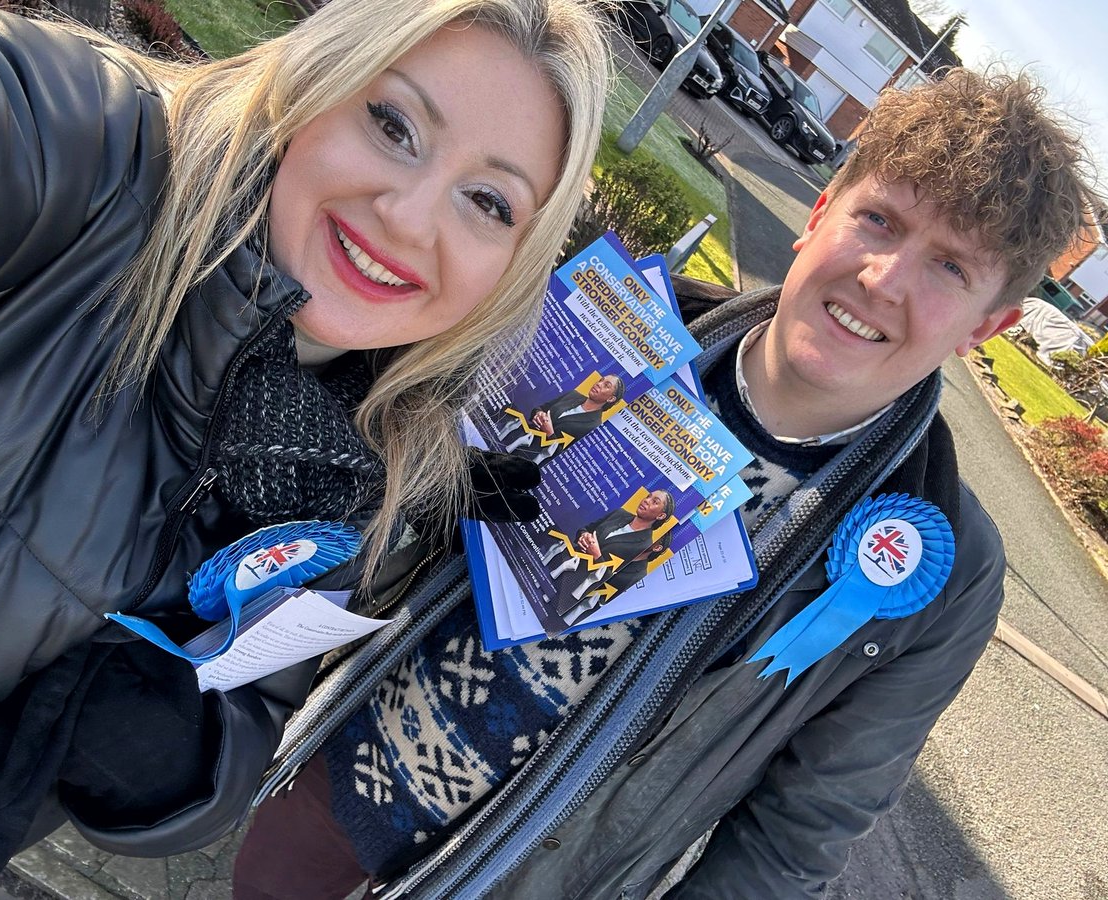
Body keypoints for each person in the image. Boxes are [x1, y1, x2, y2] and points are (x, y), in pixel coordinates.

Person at [234, 68, 1097, 899]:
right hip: (345, 760)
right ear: (822, 210)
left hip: (535, 873)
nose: (885, 279)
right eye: (879, 220)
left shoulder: (940, 565)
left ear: (990, 324)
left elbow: (797, 834)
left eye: (950, 267)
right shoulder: (615, 326)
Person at [0, 0, 610, 895]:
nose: (408, 217)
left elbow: (247, 725)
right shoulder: (81, 152)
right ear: (316, 81)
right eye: (393, 123)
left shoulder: (368, 452)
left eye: (488, 201)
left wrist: (178, 758)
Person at [546, 488, 675, 620]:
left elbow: (612, 584)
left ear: (660, 516)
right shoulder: (620, 513)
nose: (646, 501)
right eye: (648, 496)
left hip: (574, 590)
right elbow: (586, 529)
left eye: (655, 502)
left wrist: (597, 556)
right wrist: (584, 535)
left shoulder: (644, 546)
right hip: (559, 564)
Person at [499, 373, 626, 462]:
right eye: (601, 380)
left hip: (528, 460)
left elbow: (565, 458)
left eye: (606, 385)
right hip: (512, 439)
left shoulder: (594, 426)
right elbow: (540, 408)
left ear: (610, 399)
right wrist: (539, 414)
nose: (599, 384)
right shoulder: (573, 394)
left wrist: (550, 434)